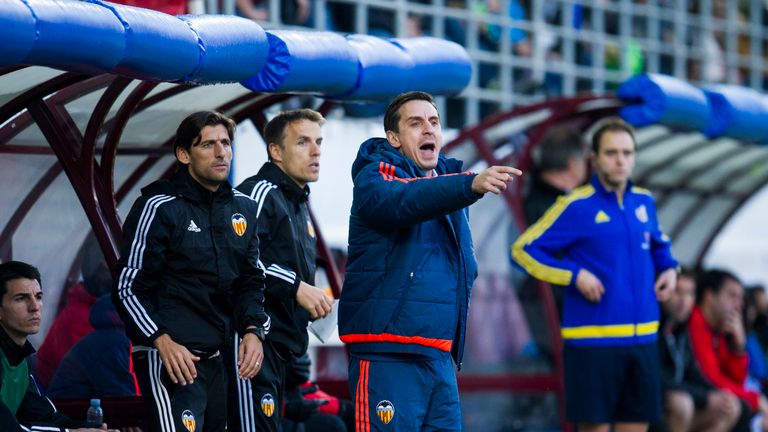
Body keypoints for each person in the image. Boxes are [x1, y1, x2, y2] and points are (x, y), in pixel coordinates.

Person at [338, 91, 522, 431]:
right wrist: (469, 185)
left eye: (434, 122)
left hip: (438, 356)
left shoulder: (447, 185)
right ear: (393, 138)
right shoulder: (375, 177)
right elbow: (402, 201)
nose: (428, 130)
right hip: (388, 353)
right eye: (415, 123)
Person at [512, 118, 679, 432]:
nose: (620, 160)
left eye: (627, 153)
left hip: (643, 339)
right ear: (595, 159)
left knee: (636, 426)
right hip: (592, 342)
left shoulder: (644, 201)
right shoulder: (576, 205)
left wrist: (669, 268)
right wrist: (575, 275)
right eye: (612, 153)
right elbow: (525, 249)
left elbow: (657, 242)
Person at [112, 111, 270, 432]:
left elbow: (251, 280)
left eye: (225, 143)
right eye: (208, 144)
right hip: (170, 357)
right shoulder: (159, 206)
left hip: (218, 359)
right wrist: (161, 340)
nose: (221, 152)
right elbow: (128, 287)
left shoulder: (244, 207)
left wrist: (253, 329)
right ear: (184, 154)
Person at [229, 108, 332, 431]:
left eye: (318, 142)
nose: (316, 151)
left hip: (284, 348)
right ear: (275, 151)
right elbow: (237, 257)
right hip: (252, 340)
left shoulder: (298, 201)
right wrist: (297, 287)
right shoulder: (259, 192)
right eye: (303, 142)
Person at [0, 260, 116, 432]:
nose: (34, 307)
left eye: (38, 297)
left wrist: (90, 429)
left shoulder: (20, 359)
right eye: (21, 298)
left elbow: (42, 414)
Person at [658, 269, 740, 432]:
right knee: (682, 404)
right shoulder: (653, 328)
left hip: (680, 401)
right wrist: (706, 397)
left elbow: (694, 372)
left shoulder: (681, 329)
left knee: (730, 407)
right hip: (653, 406)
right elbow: (660, 380)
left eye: (689, 293)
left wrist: (719, 395)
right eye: (677, 292)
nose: (683, 301)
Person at [688, 269, 768, 432]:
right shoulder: (695, 322)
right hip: (688, 397)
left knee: (740, 406)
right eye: (732, 296)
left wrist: (738, 347)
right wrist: (755, 399)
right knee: (736, 408)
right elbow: (710, 377)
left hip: (702, 397)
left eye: (740, 299)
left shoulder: (718, 330)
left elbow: (737, 379)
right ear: (709, 296)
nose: (739, 305)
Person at [47, 295, 138, 399]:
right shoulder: (115, 344)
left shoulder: (110, 339)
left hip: (73, 408)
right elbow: (124, 399)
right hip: (69, 411)